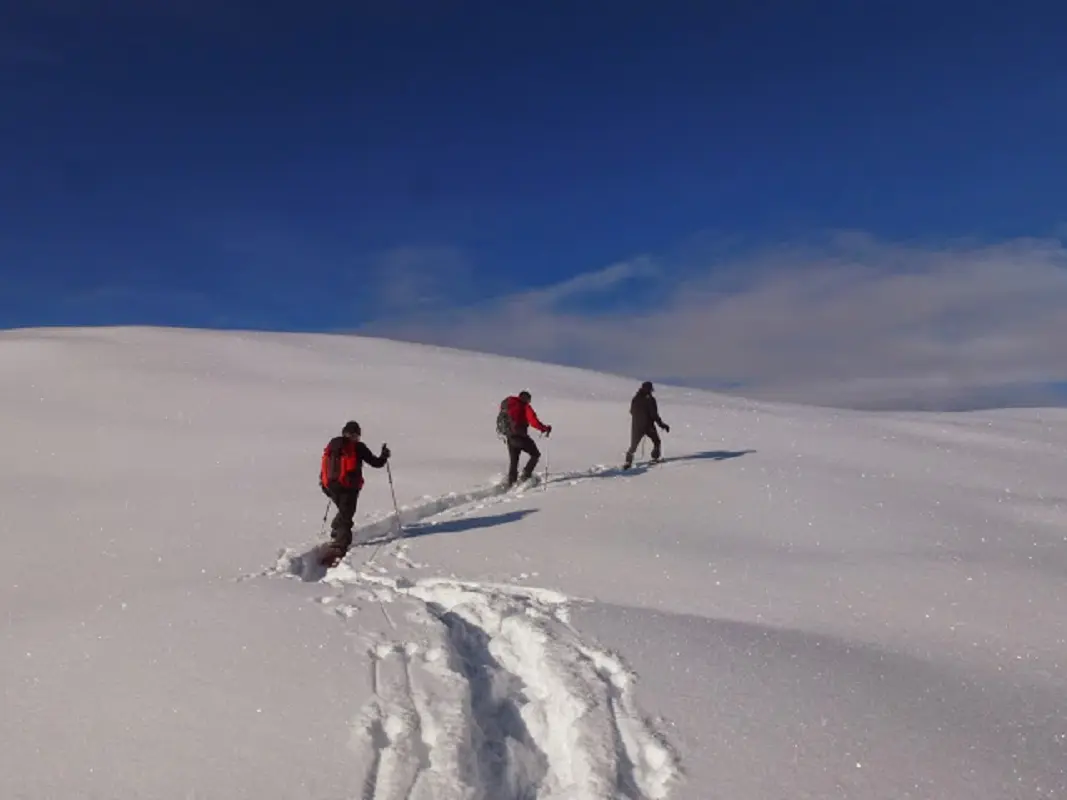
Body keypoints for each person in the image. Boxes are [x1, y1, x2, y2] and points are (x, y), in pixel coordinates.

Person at [319, 420, 390, 555]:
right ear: (356, 434)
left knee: (343, 510)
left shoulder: (332, 445)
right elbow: (376, 463)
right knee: (347, 515)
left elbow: (325, 466)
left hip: (329, 486)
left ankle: (336, 530)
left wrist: (325, 484)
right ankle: (340, 545)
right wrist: (384, 455)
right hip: (348, 487)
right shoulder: (358, 447)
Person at [499, 390, 552, 486]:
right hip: (520, 437)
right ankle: (525, 476)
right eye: (529, 400)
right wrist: (545, 428)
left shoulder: (509, 403)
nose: (529, 402)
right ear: (526, 398)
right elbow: (533, 422)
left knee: (514, 461)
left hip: (509, 437)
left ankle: (511, 483)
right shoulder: (524, 406)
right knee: (535, 454)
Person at [624, 381, 669, 469]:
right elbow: (654, 414)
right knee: (657, 441)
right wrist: (662, 425)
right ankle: (655, 458)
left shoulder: (636, 398)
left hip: (637, 426)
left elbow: (632, 411)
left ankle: (628, 462)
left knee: (633, 445)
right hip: (648, 426)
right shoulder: (650, 400)